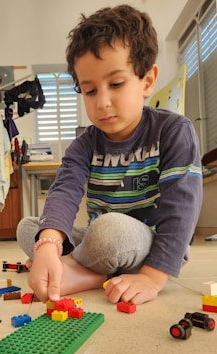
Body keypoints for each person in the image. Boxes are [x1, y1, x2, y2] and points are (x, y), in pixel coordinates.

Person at [17, 4, 203, 305]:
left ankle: (80, 270)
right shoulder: (84, 144)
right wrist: (49, 246)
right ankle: (83, 268)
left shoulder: (173, 131)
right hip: (98, 240)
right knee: (31, 228)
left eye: (116, 84)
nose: (102, 102)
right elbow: (64, 192)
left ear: (147, 80)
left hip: (149, 244)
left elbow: (181, 211)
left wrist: (152, 278)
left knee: (109, 229)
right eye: (90, 91)